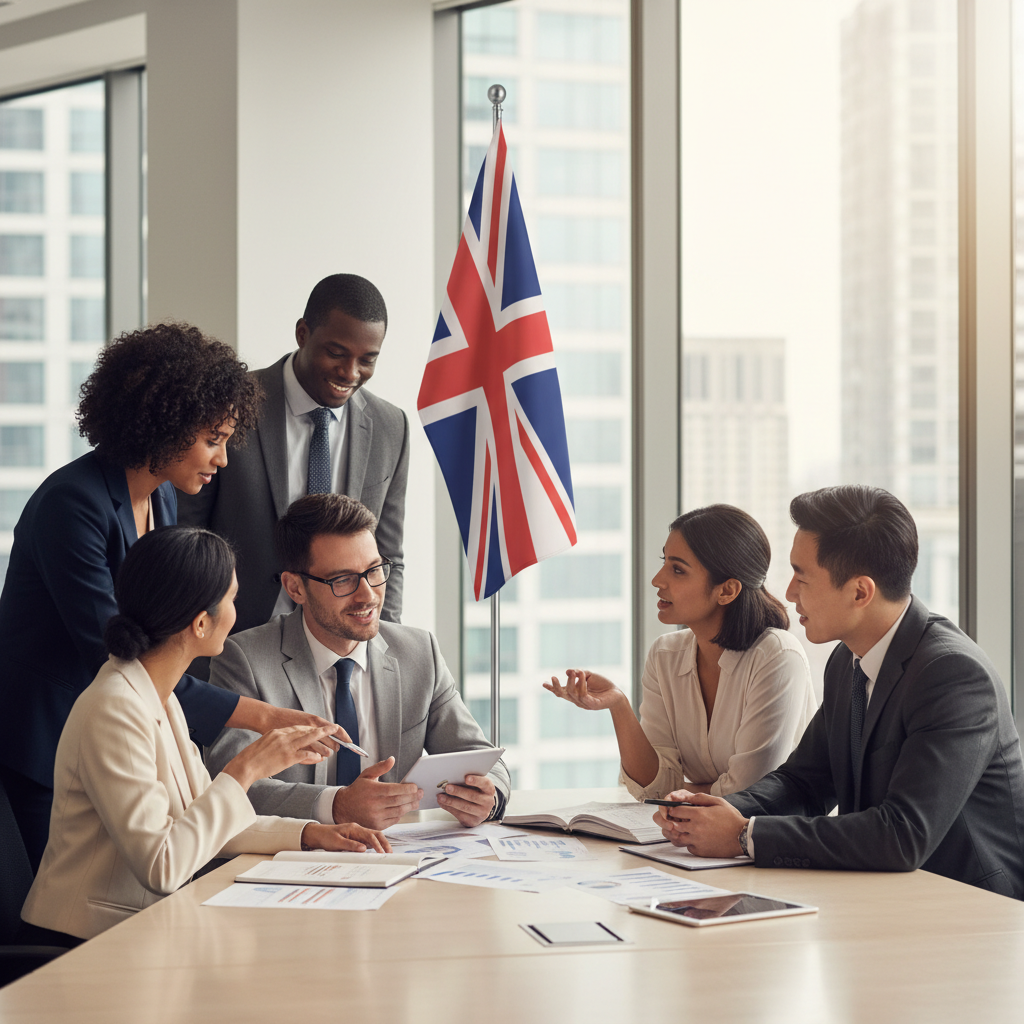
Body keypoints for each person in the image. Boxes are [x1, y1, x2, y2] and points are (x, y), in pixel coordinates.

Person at [0, 324, 337, 871]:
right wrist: (265, 718)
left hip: (127, 734)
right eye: (213, 439)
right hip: (48, 737)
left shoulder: (163, 499)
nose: (223, 460)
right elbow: (123, 654)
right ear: (163, 423)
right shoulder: (73, 504)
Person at [20, 526, 387, 943]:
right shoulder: (115, 708)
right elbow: (163, 865)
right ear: (199, 623)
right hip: (80, 946)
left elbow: (204, 823)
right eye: (231, 598)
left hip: (143, 933)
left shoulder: (159, 696)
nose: (238, 608)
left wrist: (309, 834)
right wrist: (247, 767)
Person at [654, 486, 1024, 899]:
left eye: (802, 576)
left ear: (860, 592)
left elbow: (903, 834)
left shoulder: (952, 674)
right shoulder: (847, 660)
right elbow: (805, 782)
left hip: (973, 912)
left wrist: (745, 836)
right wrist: (716, 814)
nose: (790, 591)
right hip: (887, 900)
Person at [205, 493, 511, 830]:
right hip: (286, 863)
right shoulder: (244, 660)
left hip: (399, 858)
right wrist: (333, 806)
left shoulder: (419, 651)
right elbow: (230, 786)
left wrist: (490, 796)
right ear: (295, 588)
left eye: (374, 571)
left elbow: (481, 757)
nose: (368, 594)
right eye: (343, 580)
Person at [177, 274, 408, 632]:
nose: (350, 372)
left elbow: (388, 553)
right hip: (233, 641)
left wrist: (381, 648)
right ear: (302, 333)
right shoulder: (230, 404)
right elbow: (187, 529)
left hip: (339, 645)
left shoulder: (391, 426)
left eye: (368, 360)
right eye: (336, 353)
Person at [544, 505, 816, 798]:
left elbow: (747, 794)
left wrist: (682, 790)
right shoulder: (664, 655)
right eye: (665, 562)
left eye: (677, 569)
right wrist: (618, 705)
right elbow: (654, 789)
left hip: (765, 840)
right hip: (693, 837)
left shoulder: (777, 657)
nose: (657, 580)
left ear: (727, 590)